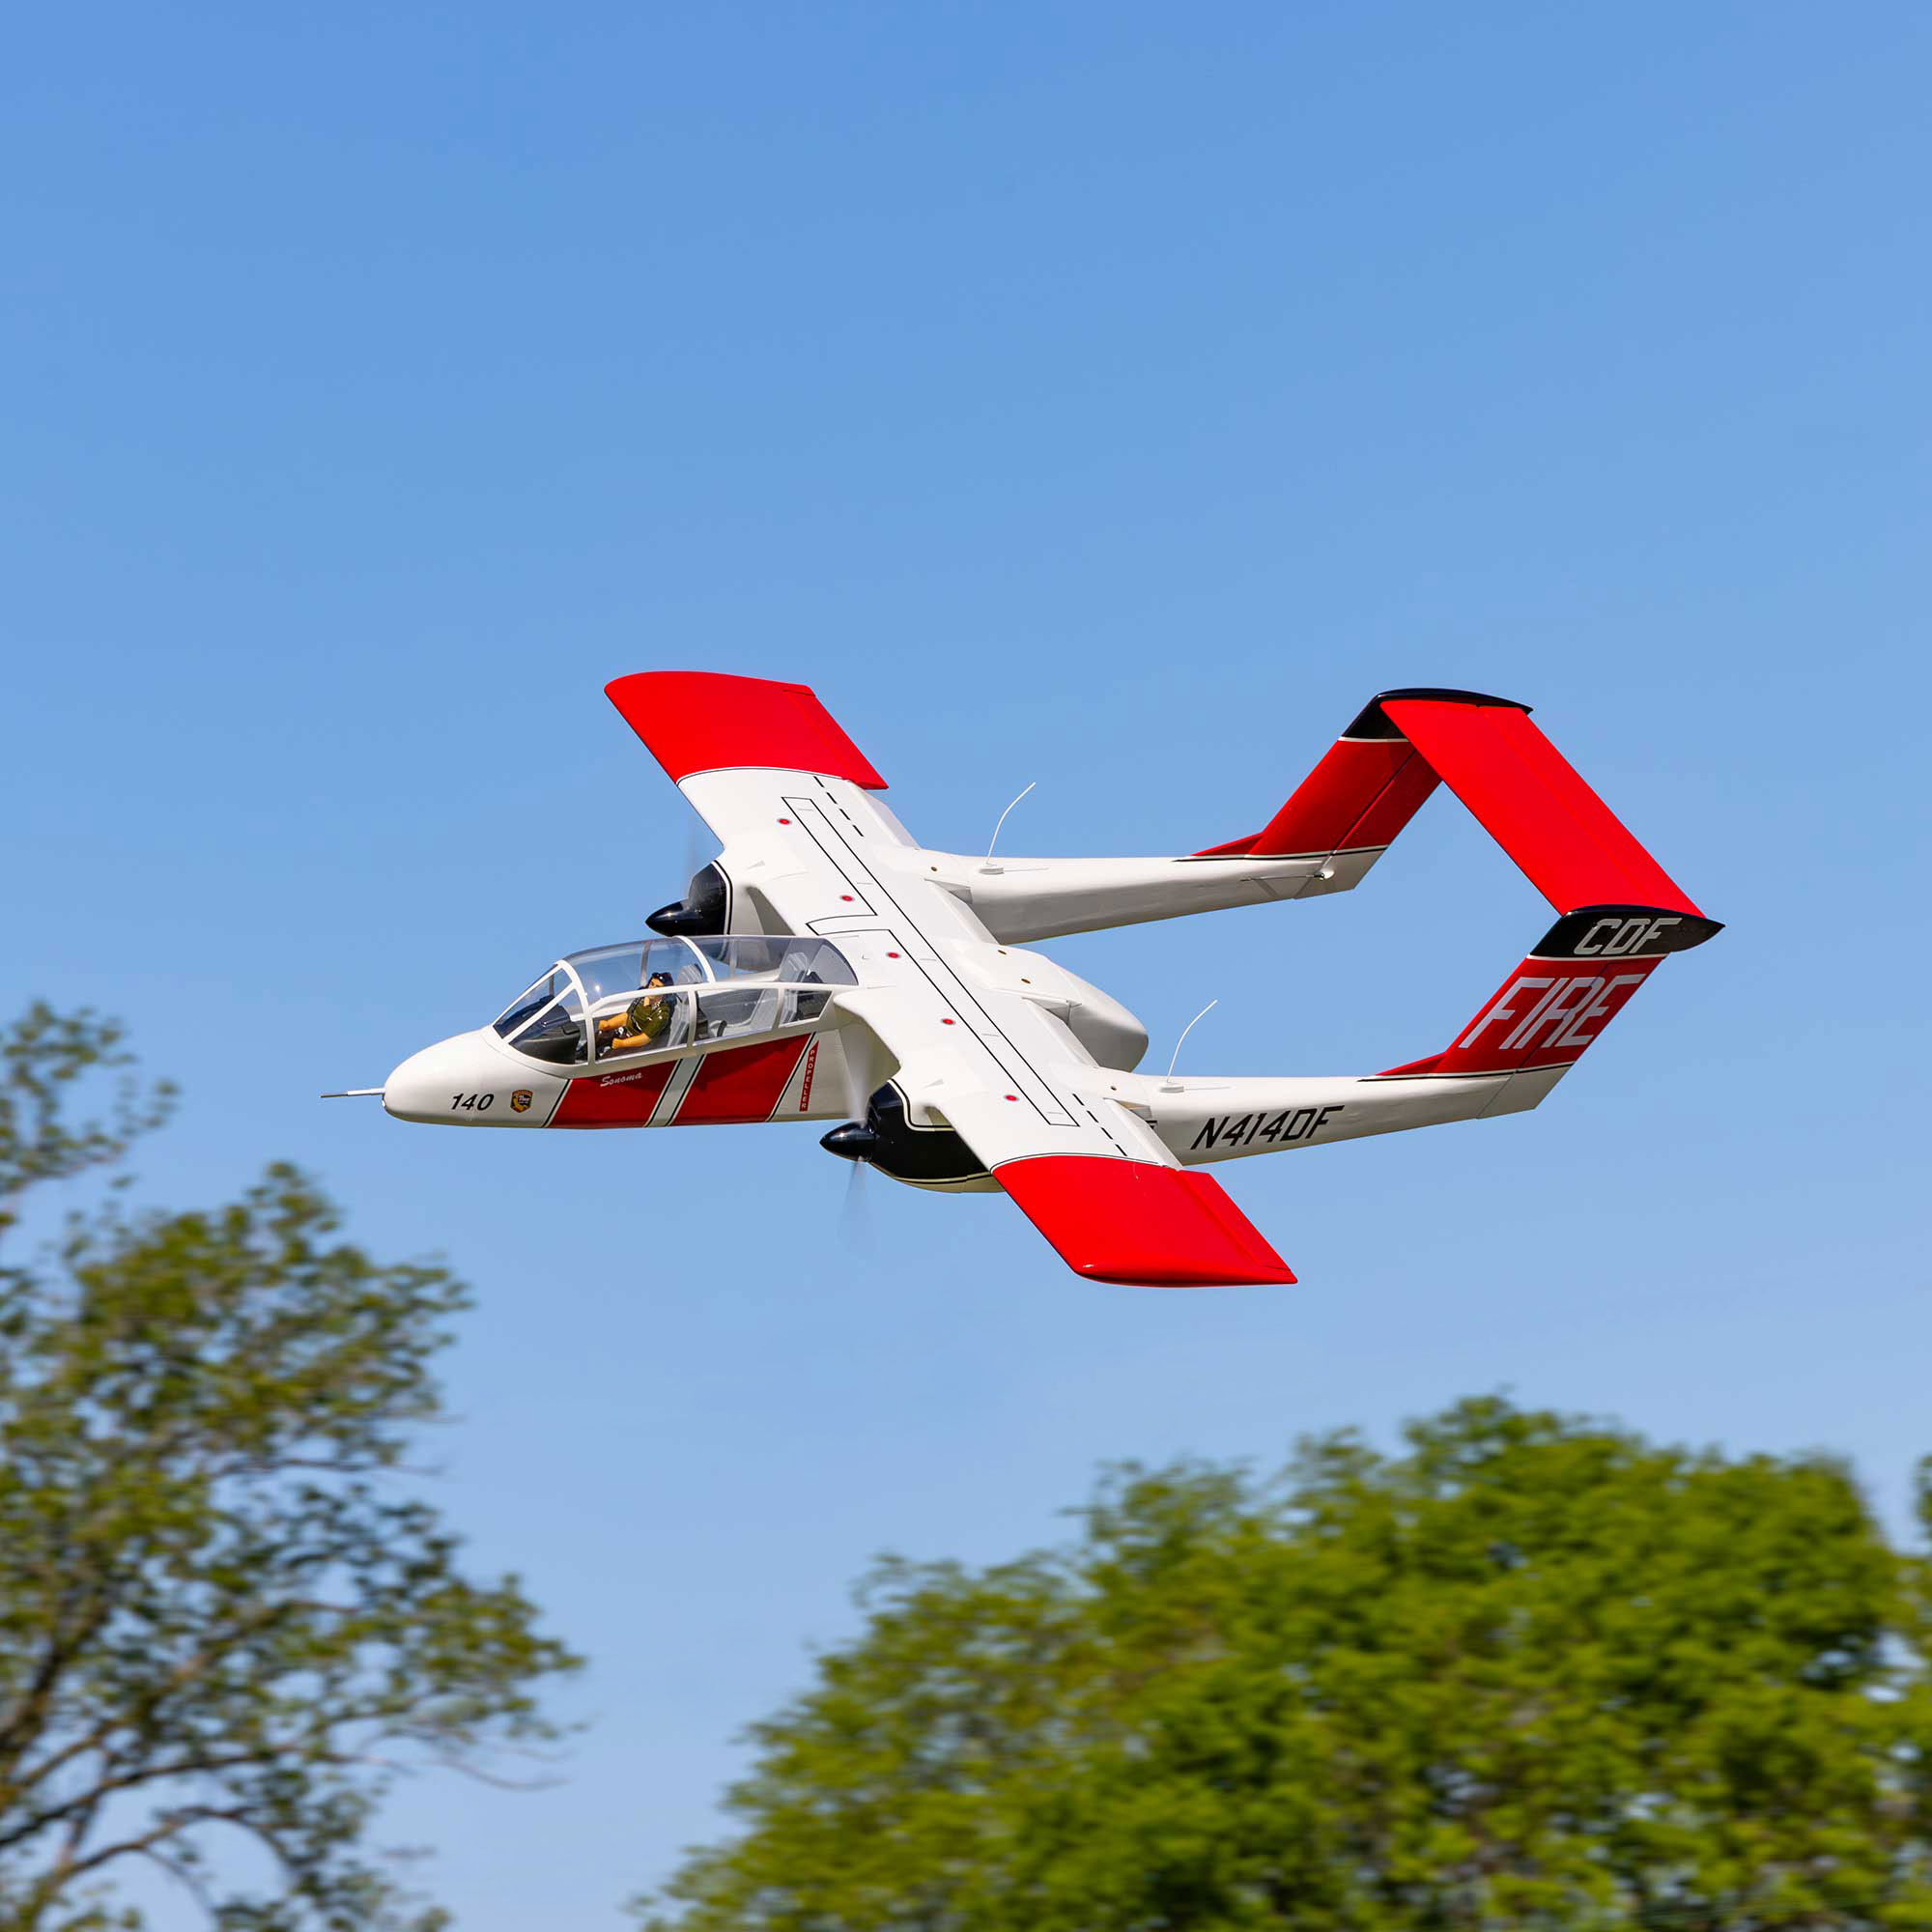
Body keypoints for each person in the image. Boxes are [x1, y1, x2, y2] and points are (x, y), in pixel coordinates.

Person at [597, 973, 679, 1053]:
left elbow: (645, 1038)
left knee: (611, 1056)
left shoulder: (661, 1014)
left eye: (657, 987)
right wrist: (609, 1024)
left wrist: (623, 1043)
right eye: (652, 984)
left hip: (639, 1045)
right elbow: (627, 1016)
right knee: (599, 1035)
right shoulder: (642, 997)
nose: (652, 988)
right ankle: (584, 1054)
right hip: (626, 1031)